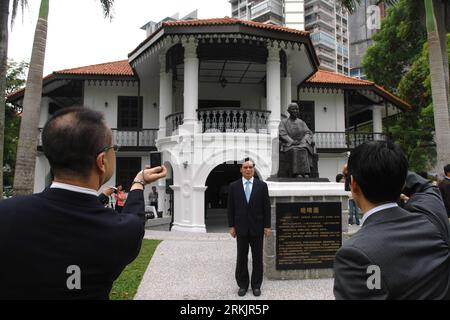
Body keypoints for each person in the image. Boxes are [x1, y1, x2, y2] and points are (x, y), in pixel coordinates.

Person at [0, 106, 167, 300]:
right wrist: (139, 182)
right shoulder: (118, 233)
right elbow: (134, 220)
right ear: (101, 161)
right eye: (114, 149)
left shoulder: (6, 213)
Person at [333, 141, 450, 299]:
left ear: (353, 184)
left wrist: (368, 169)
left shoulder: (354, 254)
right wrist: (392, 168)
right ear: (403, 183)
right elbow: (426, 186)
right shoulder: (432, 218)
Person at [227, 158, 271, 297]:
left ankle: (256, 285)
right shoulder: (234, 186)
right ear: (241, 169)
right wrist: (231, 226)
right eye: (245, 167)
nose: (248, 169)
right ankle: (243, 285)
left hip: (257, 228)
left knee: (257, 258)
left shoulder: (262, 186)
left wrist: (267, 226)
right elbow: (230, 208)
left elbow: (267, 208)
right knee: (242, 257)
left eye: (250, 167)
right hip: (240, 228)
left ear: (254, 169)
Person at [278, 102, 315, 178]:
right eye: (293, 109)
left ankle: (305, 172)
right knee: (295, 150)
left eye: (297, 109)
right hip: (289, 145)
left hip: (302, 143)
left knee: (304, 148)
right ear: (289, 111)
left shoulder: (301, 122)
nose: (295, 111)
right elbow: (282, 134)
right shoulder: (284, 122)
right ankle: (296, 173)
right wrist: (292, 141)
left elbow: (308, 132)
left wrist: (304, 140)